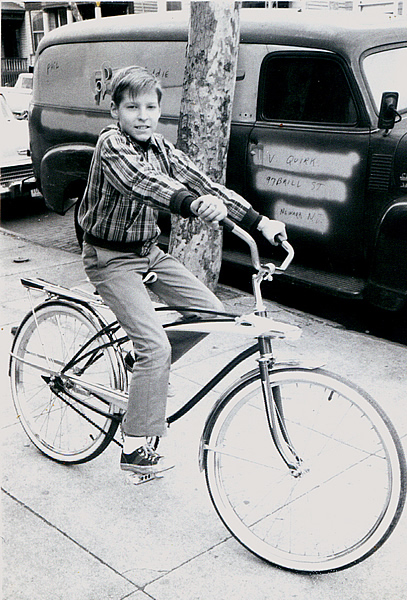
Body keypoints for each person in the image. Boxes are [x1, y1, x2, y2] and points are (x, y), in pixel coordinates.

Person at [78, 66, 287, 476]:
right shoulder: (111, 145)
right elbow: (142, 182)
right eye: (132, 107)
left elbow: (204, 183)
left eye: (151, 107)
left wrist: (260, 222)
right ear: (115, 112)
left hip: (148, 252)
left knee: (213, 314)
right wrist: (189, 204)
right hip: (108, 257)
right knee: (155, 348)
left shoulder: (161, 147)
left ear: (160, 110)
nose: (143, 115)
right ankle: (134, 445)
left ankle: (143, 371)